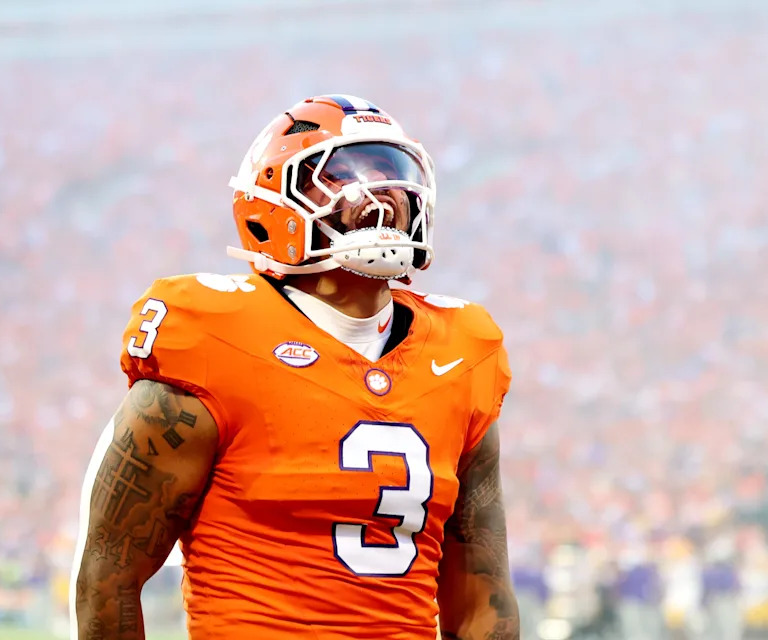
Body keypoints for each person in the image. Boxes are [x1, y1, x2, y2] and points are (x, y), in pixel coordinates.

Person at [70, 94, 518, 640]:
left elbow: (483, 591)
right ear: (271, 204)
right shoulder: (214, 338)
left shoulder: (464, 353)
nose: (379, 196)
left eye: (390, 175)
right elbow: (107, 576)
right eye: (345, 175)